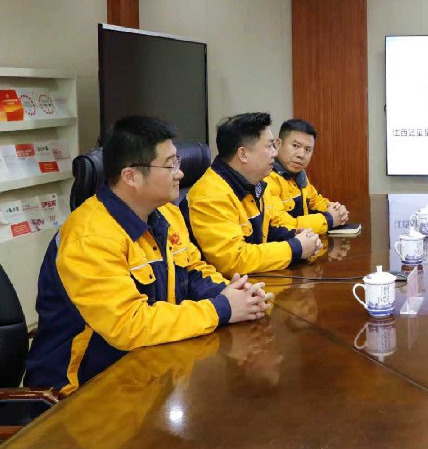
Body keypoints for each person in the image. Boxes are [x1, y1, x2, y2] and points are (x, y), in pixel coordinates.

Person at [24, 116, 270, 395]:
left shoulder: (166, 213)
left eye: (178, 161)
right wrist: (221, 308)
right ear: (131, 176)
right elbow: (128, 325)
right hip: (83, 391)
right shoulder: (90, 237)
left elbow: (192, 270)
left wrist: (233, 293)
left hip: (150, 369)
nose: (180, 173)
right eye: (170, 165)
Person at [185, 112, 321, 277]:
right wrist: (296, 248)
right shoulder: (210, 195)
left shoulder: (256, 183)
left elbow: (270, 229)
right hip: (225, 288)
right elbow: (234, 260)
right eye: (269, 146)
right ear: (243, 154)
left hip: (255, 281)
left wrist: (297, 236)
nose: (275, 153)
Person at [265, 119, 350, 234]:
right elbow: (282, 224)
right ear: (278, 143)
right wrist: (329, 220)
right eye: (295, 146)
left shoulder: (299, 175)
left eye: (308, 149)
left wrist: (335, 209)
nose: (301, 155)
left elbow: (315, 201)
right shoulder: (267, 177)